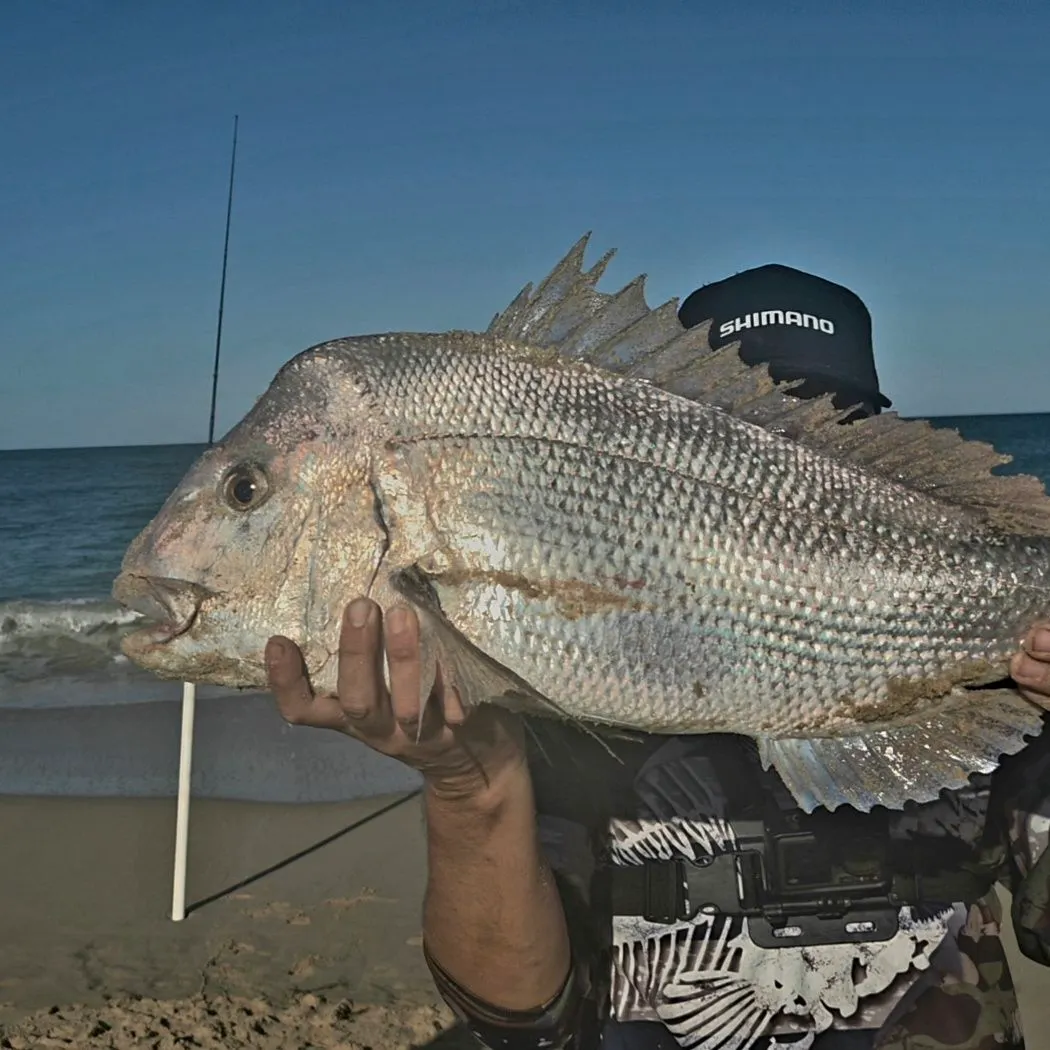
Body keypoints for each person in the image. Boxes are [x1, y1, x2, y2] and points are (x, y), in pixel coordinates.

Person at [265, 261, 1050, 1050]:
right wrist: (472, 787)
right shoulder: (535, 684)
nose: (784, 480)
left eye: (828, 440)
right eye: (746, 434)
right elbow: (521, 1021)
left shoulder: (1003, 686)